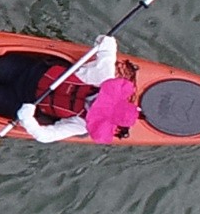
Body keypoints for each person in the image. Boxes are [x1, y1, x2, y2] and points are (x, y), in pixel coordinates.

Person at [10, 37, 143, 145]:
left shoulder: (82, 125)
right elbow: (109, 46)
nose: (95, 106)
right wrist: (103, 40)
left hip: (22, 101)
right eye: (101, 103)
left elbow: (45, 136)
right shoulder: (104, 77)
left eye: (98, 111)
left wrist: (27, 119)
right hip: (31, 72)